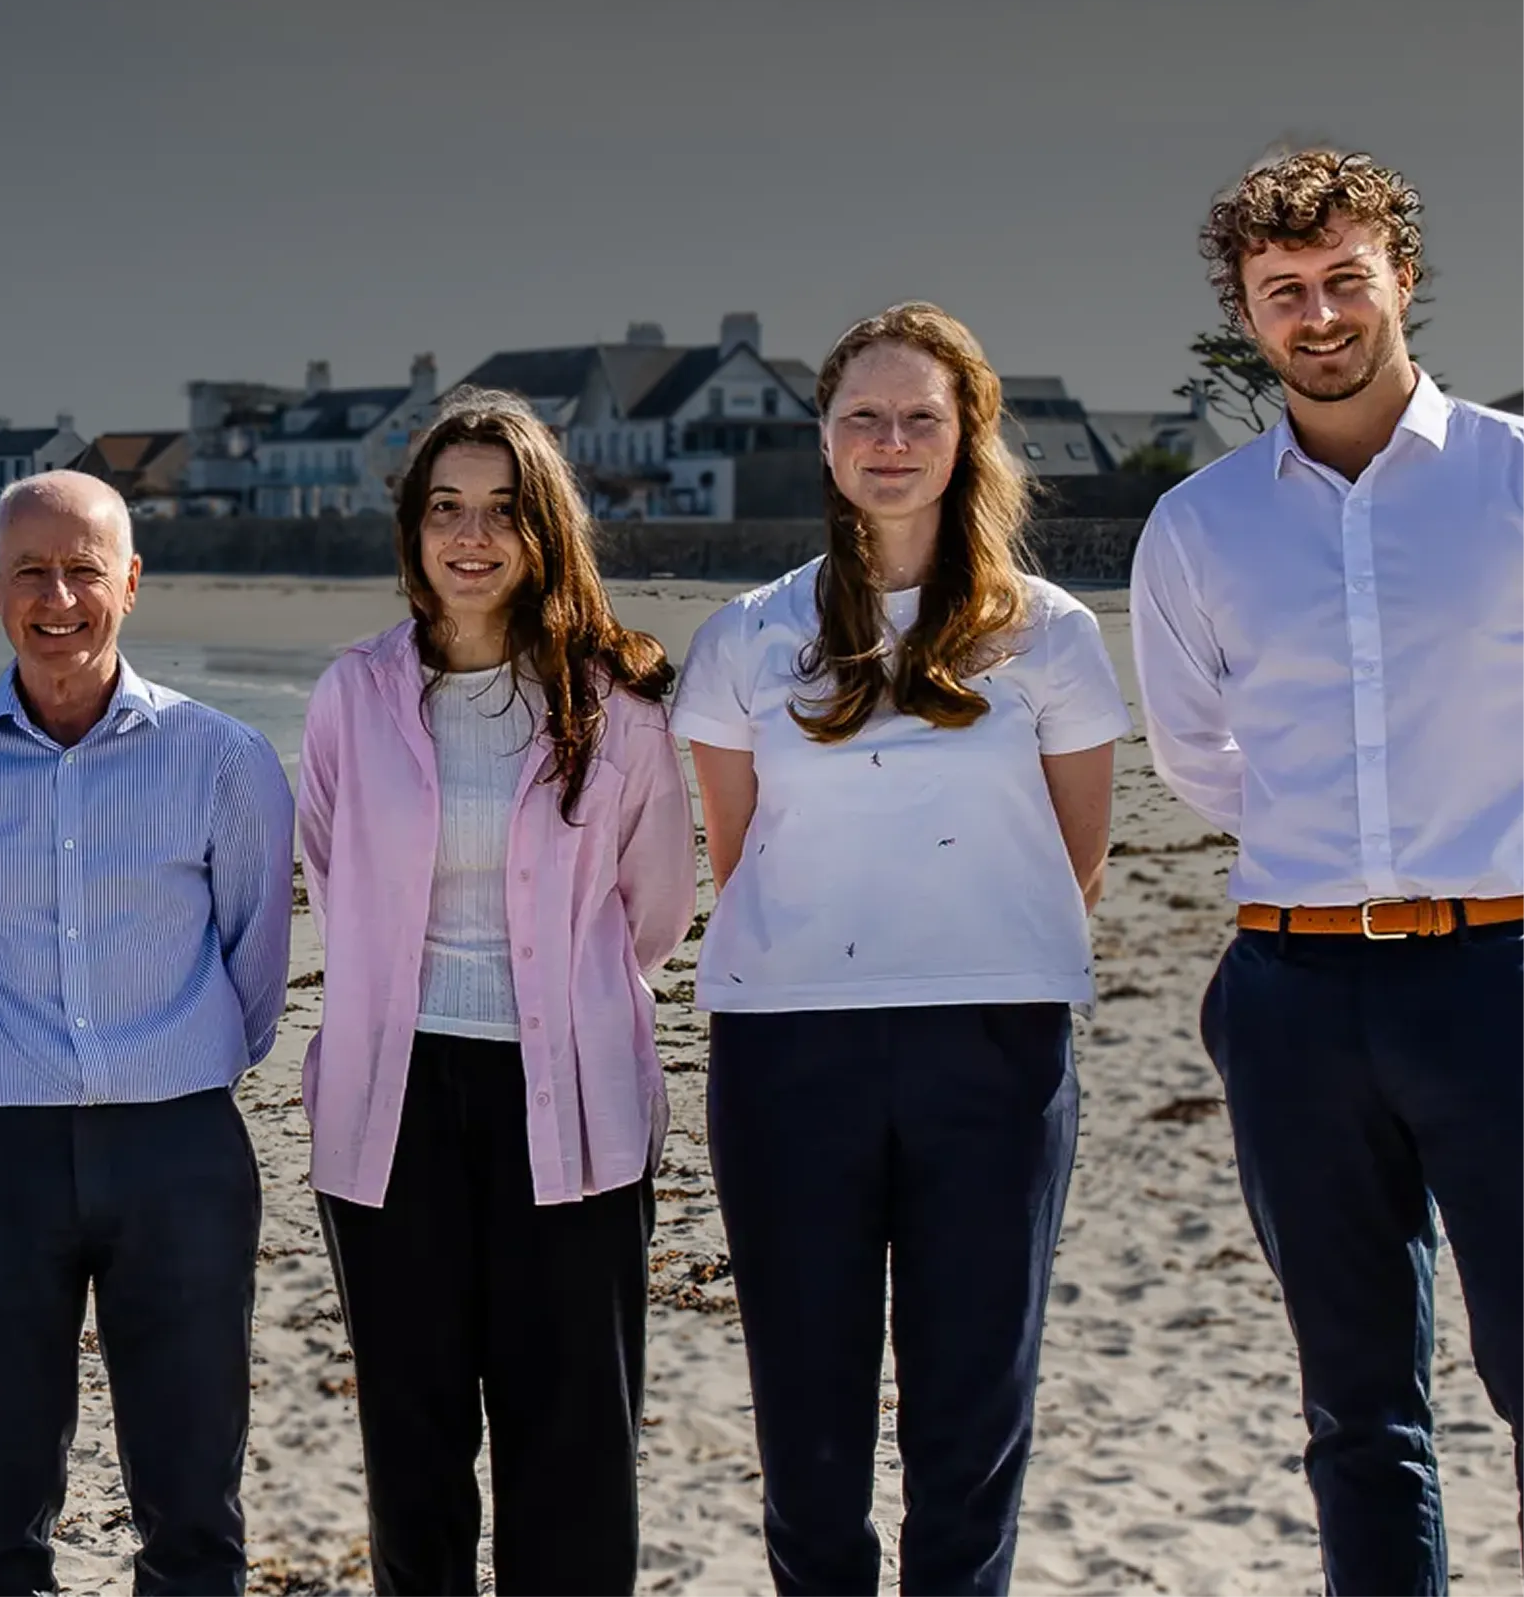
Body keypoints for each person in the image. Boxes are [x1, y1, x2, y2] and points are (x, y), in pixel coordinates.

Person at [673, 304, 1128, 1597]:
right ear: (824, 441)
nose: (891, 440)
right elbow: (737, 844)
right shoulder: (748, 636)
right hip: (787, 1050)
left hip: (995, 1047)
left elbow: (1074, 854)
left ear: (966, 434)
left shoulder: (1051, 633)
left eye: (921, 414)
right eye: (864, 416)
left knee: (973, 1412)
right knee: (808, 1423)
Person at [1132, 146, 1524, 1592]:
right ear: (1249, 312)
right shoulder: (1202, 525)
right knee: (1357, 1406)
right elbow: (1195, 755)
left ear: (1400, 278)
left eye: (1343, 279)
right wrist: (1338, 858)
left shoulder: (1512, 478)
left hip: (1503, 979)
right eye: (1282, 290)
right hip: (1296, 993)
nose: (1317, 314)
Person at [0, 469, 297, 1597]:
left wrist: (172, 1070)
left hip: (181, 1155)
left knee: (194, 1503)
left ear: (131, 584)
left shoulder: (223, 760)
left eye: (82, 571)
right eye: (29, 573)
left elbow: (255, 963)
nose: (56, 598)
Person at [298, 390, 698, 1596]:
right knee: (412, 1446)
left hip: (570, 1102)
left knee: (572, 1445)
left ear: (545, 530)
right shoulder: (351, 696)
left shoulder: (616, 708)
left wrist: (562, 1012)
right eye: (444, 509)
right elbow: (327, 864)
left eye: (502, 511)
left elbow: (655, 907)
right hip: (391, 1108)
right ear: (412, 532)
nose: (470, 536)